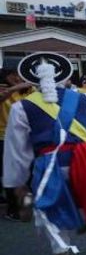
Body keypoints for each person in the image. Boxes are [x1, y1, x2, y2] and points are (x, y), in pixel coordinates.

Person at [3, 52, 86, 255]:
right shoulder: (84, 98)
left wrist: (17, 181)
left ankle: (60, 247)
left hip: (50, 164)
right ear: (63, 75)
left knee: (48, 204)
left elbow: (17, 149)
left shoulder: (21, 107)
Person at [0, 63, 34, 221]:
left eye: (19, 74)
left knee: (28, 175)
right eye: (12, 74)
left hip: (27, 138)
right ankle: (12, 209)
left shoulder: (30, 91)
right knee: (11, 174)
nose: (16, 78)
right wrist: (13, 88)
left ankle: (26, 205)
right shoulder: (4, 90)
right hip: (4, 138)